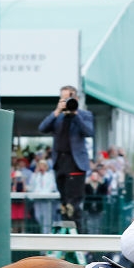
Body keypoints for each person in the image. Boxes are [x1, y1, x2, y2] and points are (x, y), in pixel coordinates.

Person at [38, 85, 94, 231]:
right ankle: (66, 234)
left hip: (75, 163)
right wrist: (57, 111)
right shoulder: (57, 117)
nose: (66, 101)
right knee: (63, 204)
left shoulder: (84, 115)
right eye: (63, 98)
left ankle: (78, 236)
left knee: (73, 204)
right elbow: (42, 128)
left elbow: (89, 131)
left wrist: (75, 114)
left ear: (76, 98)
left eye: (69, 98)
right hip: (59, 162)